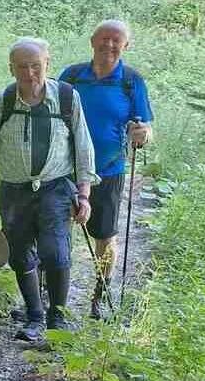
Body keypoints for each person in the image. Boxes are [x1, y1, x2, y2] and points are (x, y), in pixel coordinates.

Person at [0, 37, 98, 342]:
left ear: (47, 65)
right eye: (22, 67)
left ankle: (57, 319)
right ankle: (35, 316)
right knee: (20, 254)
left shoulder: (66, 98)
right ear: (11, 69)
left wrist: (85, 194)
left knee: (55, 251)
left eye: (36, 66)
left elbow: (83, 146)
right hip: (14, 191)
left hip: (56, 188)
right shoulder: (4, 101)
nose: (30, 73)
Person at [59, 20, 155, 319]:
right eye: (104, 39)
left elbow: (146, 128)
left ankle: (99, 297)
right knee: (56, 232)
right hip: (65, 168)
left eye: (116, 40)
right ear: (92, 41)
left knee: (105, 236)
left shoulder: (131, 81)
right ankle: (51, 296)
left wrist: (143, 135)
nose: (109, 45)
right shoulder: (72, 75)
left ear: (126, 45)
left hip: (109, 170)